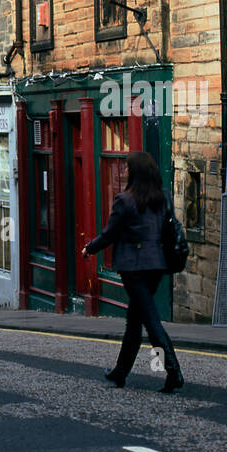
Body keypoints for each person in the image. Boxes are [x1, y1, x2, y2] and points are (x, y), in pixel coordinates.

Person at [82, 151, 183, 393]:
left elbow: (110, 234)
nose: (125, 172)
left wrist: (90, 248)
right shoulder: (163, 198)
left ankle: (173, 370)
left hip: (134, 268)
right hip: (157, 265)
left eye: (127, 168)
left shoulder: (124, 201)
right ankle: (121, 371)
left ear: (135, 173)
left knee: (150, 321)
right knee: (134, 321)